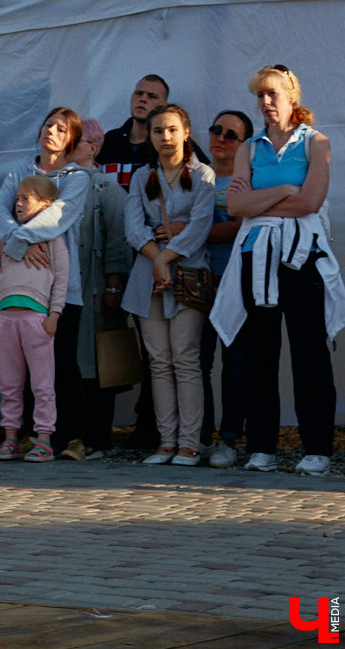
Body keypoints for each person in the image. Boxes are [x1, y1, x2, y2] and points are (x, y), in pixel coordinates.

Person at [211, 65, 345, 476]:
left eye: (272, 95)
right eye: (260, 96)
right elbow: (234, 208)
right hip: (257, 254)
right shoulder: (250, 147)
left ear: (292, 97)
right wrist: (285, 191)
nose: (265, 103)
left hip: (300, 257)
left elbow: (310, 201)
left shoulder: (315, 142)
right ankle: (262, 446)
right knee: (258, 354)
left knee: (308, 351)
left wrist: (261, 200)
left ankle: (317, 447)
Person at [0, 107, 90, 454]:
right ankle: (34, 435)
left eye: (61, 129)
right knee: (25, 366)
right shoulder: (19, 173)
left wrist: (17, 243)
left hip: (61, 286)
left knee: (61, 362)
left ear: (71, 140)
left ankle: (73, 437)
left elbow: (57, 218)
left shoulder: (77, 177)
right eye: (48, 124)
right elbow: (0, 216)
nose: (52, 131)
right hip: (18, 287)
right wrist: (19, 245)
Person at [124, 105, 215, 466]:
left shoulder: (203, 175)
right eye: (158, 131)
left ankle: (190, 442)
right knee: (159, 362)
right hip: (148, 276)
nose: (165, 137)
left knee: (186, 358)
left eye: (172, 130)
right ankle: (166, 442)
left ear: (186, 132)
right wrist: (155, 258)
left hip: (188, 273)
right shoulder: (141, 176)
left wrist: (166, 258)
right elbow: (133, 228)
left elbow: (200, 225)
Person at [0, 175, 68, 462]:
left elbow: (61, 279)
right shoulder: (4, 240)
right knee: (9, 385)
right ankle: (10, 438)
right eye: (17, 198)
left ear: (45, 205)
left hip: (36, 319)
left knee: (42, 384)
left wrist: (54, 315)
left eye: (26, 199)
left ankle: (43, 438)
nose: (19, 203)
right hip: (5, 320)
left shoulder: (53, 240)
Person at [63, 119, 130, 461]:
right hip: (60, 293)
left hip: (95, 291)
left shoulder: (107, 189)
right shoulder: (54, 184)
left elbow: (119, 242)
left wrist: (114, 289)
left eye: (74, 140)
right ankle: (66, 434)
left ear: (93, 147)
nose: (67, 145)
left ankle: (96, 437)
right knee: (67, 362)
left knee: (95, 362)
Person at [200, 110, 251, 468]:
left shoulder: (246, 181)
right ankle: (199, 438)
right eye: (217, 130)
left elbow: (239, 227)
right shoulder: (195, 178)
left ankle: (230, 439)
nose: (221, 137)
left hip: (235, 282)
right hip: (196, 283)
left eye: (231, 134)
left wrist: (186, 230)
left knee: (234, 365)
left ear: (244, 144)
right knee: (196, 363)